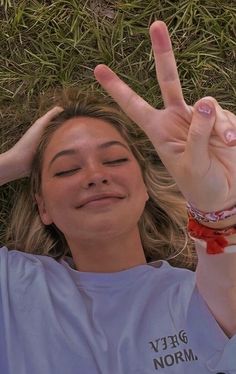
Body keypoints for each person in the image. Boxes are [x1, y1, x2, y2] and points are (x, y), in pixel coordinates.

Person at [0, 20, 235, 374]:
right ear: (42, 206)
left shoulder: (197, 295)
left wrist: (215, 208)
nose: (96, 176)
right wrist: (12, 163)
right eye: (66, 170)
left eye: (114, 159)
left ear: (143, 187)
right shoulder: (11, 286)